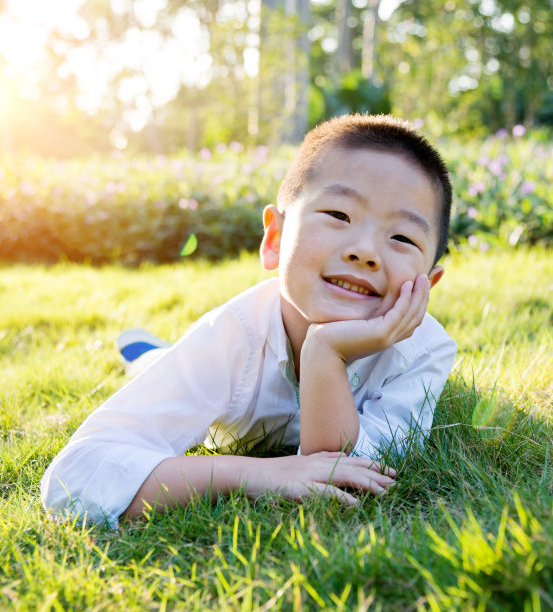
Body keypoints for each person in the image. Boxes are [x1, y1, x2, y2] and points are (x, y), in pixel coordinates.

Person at [41, 114, 457, 527]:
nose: (364, 250)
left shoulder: (425, 351)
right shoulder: (228, 337)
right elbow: (75, 476)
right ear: (275, 240)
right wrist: (258, 474)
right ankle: (150, 356)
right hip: (209, 368)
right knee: (161, 366)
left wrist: (324, 352)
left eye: (401, 237)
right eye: (338, 215)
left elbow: (347, 476)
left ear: (429, 283)